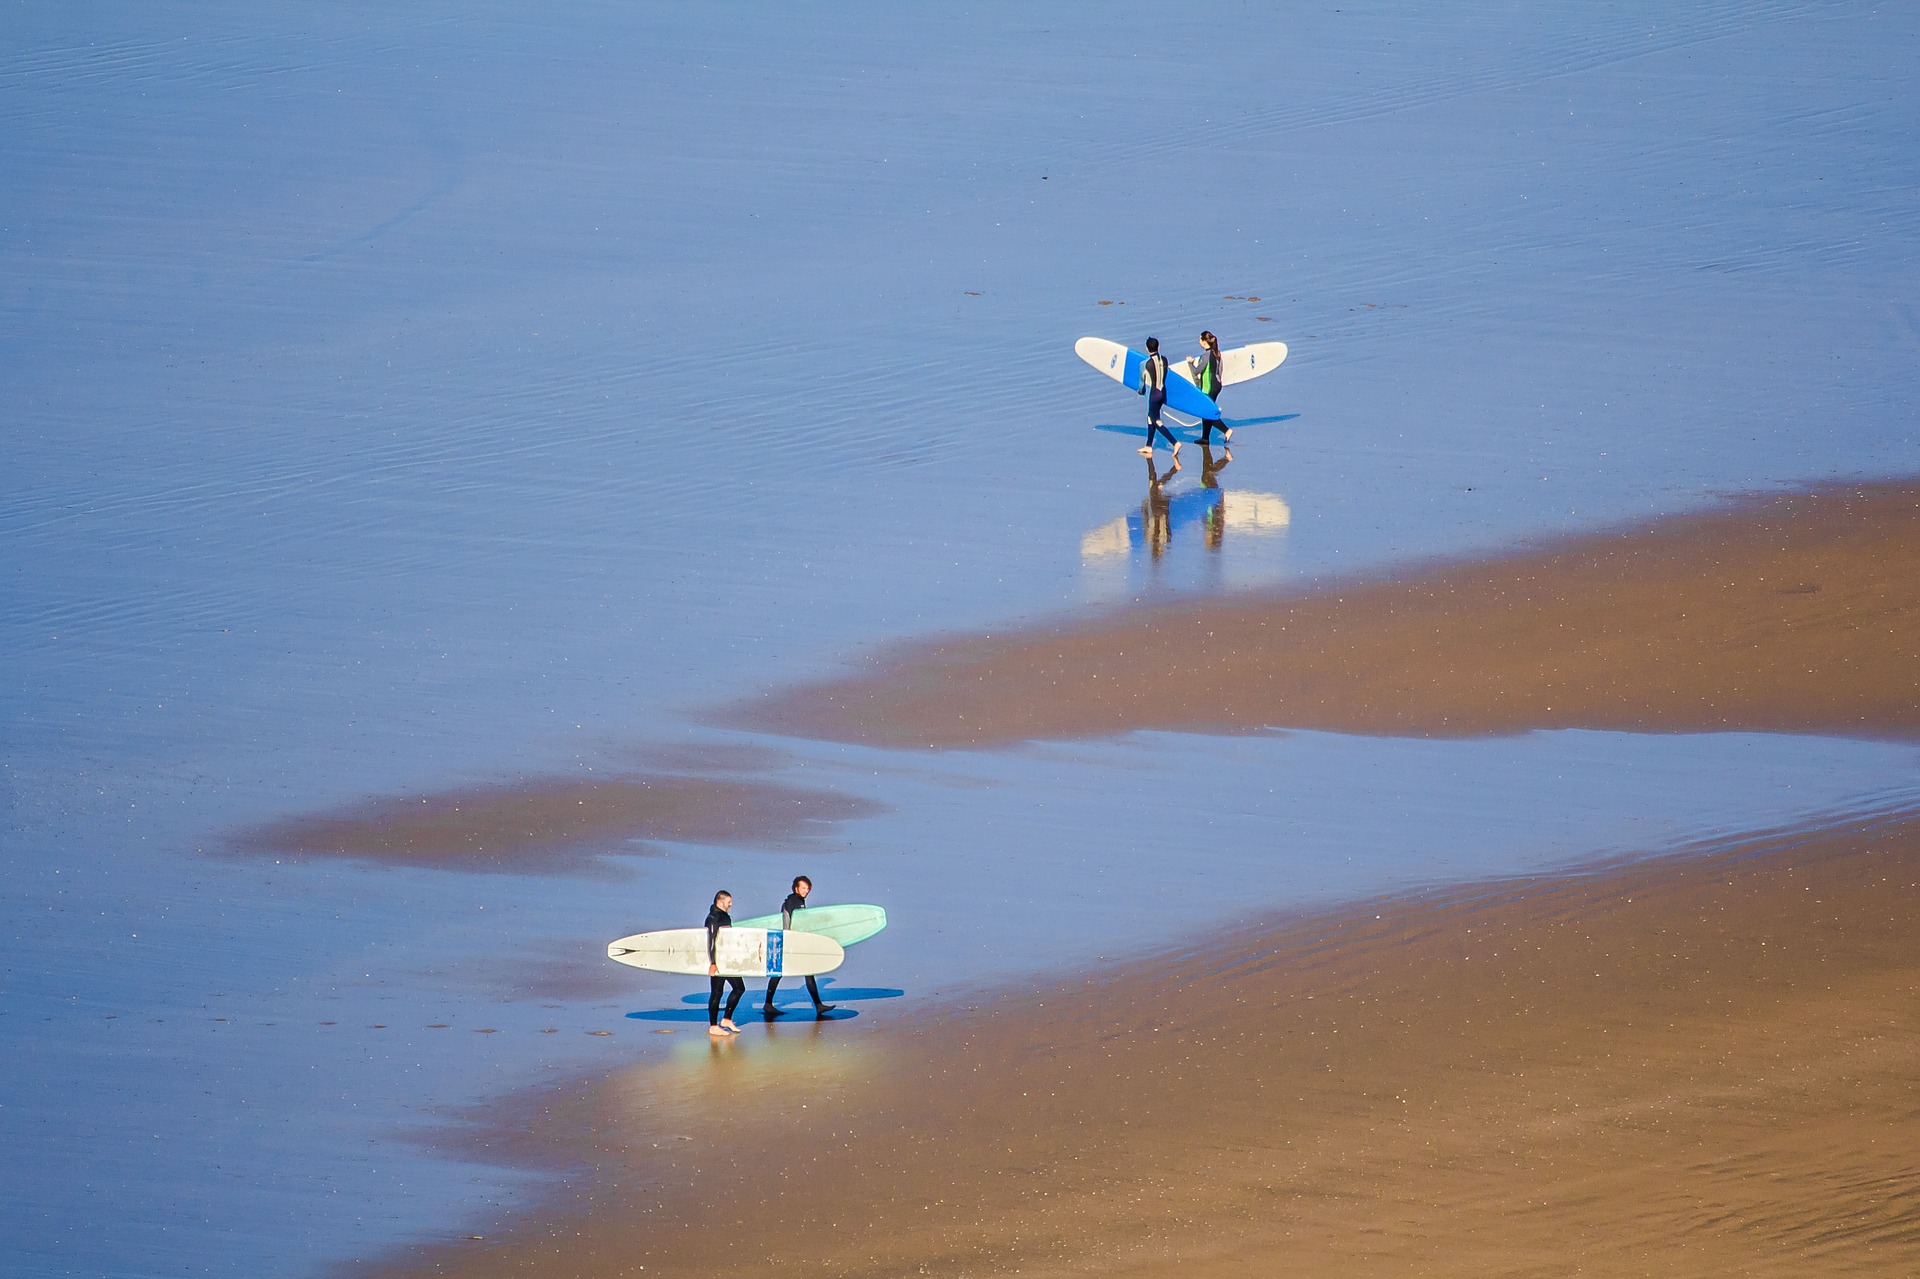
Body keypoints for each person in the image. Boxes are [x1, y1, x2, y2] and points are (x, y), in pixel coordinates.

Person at [763, 875, 838, 1018]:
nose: (806, 890)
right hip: (790, 942)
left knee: (797, 972)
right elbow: (786, 918)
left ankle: (817, 1005)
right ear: (796, 888)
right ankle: (768, 1004)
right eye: (803, 888)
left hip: (796, 941)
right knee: (782, 972)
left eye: (808, 888)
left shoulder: (800, 901)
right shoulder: (791, 901)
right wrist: (788, 938)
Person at [705, 889, 744, 1036]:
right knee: (717, 992)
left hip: (728, 960)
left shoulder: (725, 917)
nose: (731, 904)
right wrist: (713, 963)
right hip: (718, 961)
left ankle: (726, 1019)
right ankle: (713, 1026)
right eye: (729, 902)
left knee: (739, 988)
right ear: (720, 902)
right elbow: (711, 941)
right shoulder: (713, 918)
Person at [1137, 337, 1180, 457]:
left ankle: (1175, 442)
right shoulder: (1165, 360)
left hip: (1154, 395)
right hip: (1163, 393)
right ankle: (1148, 446)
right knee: (1150, 418)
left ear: (1146, 348)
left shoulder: (1144, 364)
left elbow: (1141, 382)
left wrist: (1140, 391)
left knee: (1156, 421)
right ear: (1158, 347)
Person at [1191, 331, 1230, 447]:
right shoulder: (1217, 353)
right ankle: (1205, 438)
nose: (1199, 342)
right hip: (1217, 385)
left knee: (1207, 412)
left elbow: (1196, 371)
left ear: (1204, 342)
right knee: (1206, 411)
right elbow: (1220, 370)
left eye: (1200, 340)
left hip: (1209, 388)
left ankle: (1226, 430)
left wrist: (1190, 363)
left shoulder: (1206, 356)